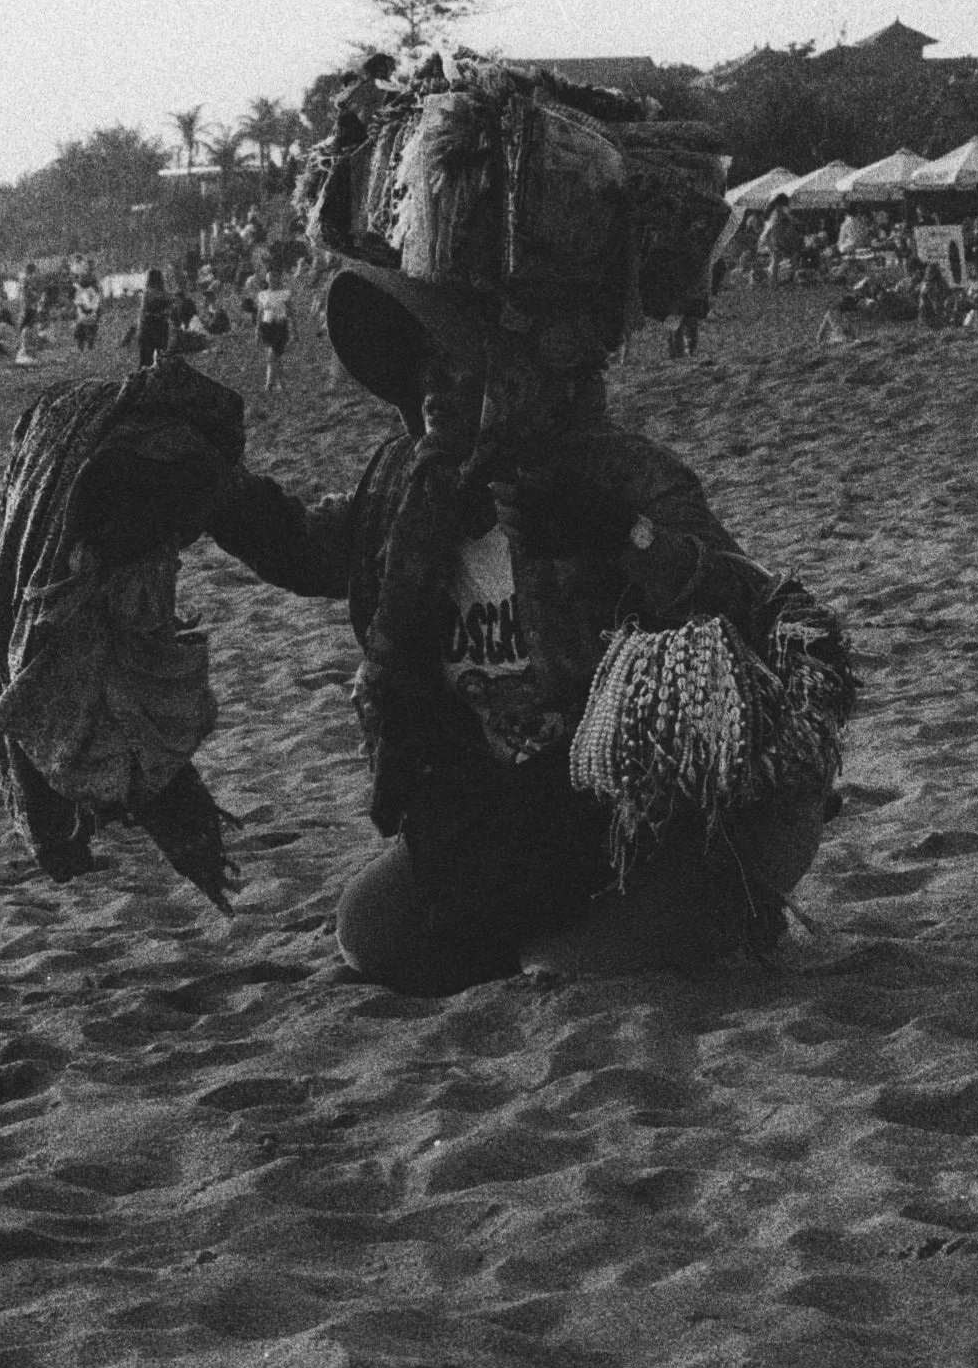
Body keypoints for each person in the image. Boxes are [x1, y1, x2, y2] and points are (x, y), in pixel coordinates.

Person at [204, 264, 849, 996]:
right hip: (519, 810)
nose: (431, 384)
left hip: (661, 806)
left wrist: (620, 536)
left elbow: (755, 611)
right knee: (375, 938)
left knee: (563, 970)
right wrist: (214, 491)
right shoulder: (409, 488)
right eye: (422, 363)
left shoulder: (614, 471)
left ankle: (728, 905)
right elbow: (311, 548)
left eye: (454, 362)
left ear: (512, 374)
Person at [253, 268, 293, 390]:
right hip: (267, 327)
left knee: (275, 355)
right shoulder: (262, 294)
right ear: (267, 280)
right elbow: (260, 313)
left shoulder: (284, 293)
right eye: (270, 279)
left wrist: (294, 330)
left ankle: (273, 382)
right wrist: (257, 330)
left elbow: (291, 312)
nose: (272, 281)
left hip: (280, 326)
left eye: (274, 278)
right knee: (272, 355)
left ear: (278, 279)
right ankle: (274, 383)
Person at [136, 268, 174, 371]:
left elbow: (143, 313)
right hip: (160, 327)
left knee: (146, 360)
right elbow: (169, 309)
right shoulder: (165, 293)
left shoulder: (147, 293)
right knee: (160, 357)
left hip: (149, 327)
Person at [72, 269, 103, 353]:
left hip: (87, 315)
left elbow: (80, 303)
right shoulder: (85, 290)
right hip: (87, 314)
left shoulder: (89, 291)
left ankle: (87, 346)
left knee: (84, 330)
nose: (82, 280)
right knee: (84, 331)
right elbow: (95, 304)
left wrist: (87, 309)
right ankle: (85, 346)